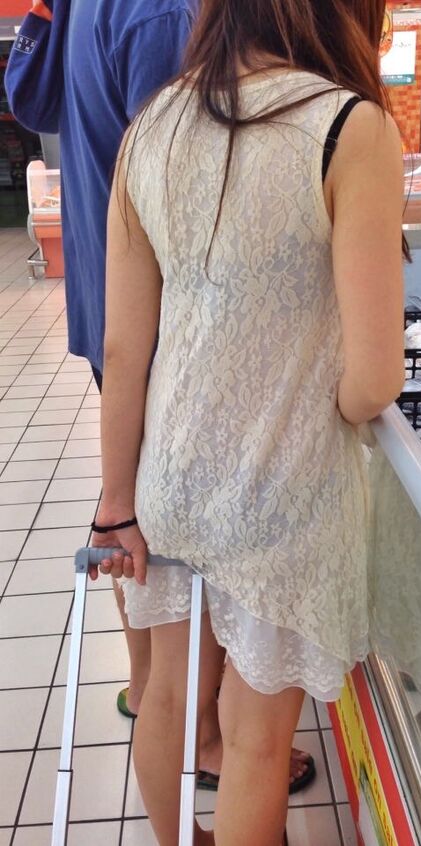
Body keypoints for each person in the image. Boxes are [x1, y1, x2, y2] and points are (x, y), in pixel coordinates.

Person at [95, 0, 406, 840]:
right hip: (282, 491)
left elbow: (124, 348)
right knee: (257, 738)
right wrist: (323, 405)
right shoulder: (349, 127)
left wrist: (115, 504)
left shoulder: (152, 127)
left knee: (167, 693)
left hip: (172, 479)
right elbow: (375, 379)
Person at [5, 0, 315, 793]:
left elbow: (31, 103)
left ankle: (151, 687)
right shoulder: (163, 16)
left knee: (136, 504)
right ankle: (195, 728)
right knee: (170, 523)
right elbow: (193, 190)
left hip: (112, 302)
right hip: (162, 326)